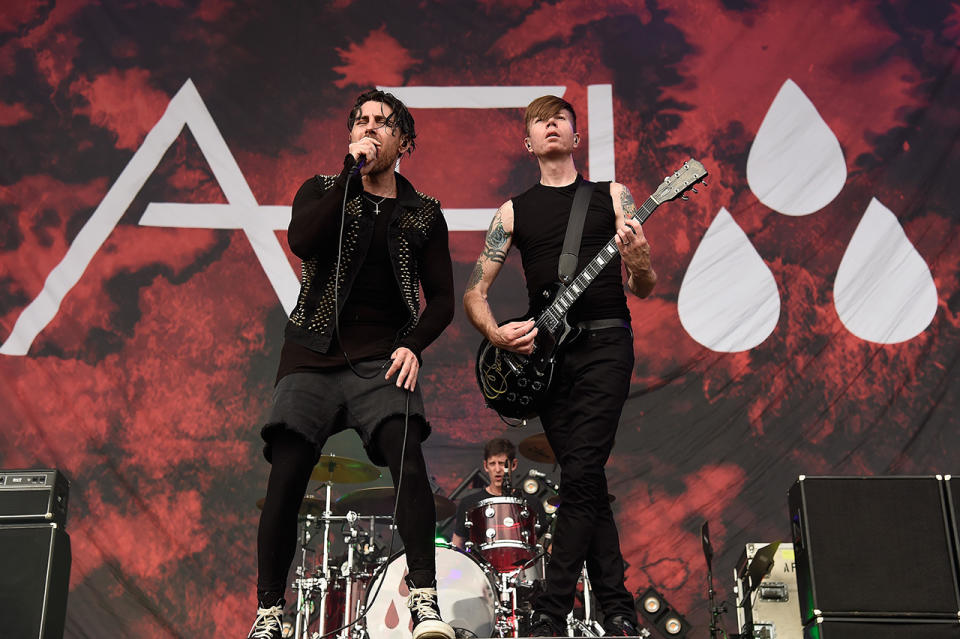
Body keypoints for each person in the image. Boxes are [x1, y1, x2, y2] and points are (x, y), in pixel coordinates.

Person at [247, 89, 455, 639]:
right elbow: (301, 240)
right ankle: (270, 612)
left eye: (382, 123)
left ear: (403, 142)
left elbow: (444, 298)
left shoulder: (423, 211)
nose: (369, 130)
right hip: (312, 353)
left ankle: (426, 604)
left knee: (408, 460)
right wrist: (347, 177)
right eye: (360, 122)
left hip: (382, 358)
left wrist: (413, 344)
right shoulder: (321, 190)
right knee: (288, 472)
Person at [462, 95, 657, 637]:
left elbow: (643, 285)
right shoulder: (512, 212)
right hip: (545, 363)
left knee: (582, 471)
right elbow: (475, 291)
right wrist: (495, 332)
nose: (551, 125)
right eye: (539, 121)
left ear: (575, 137)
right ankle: (618, 607)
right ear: (528, 143)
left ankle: (550, 612)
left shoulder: (612, 196)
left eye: (561, 119)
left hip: (605, 347)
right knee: (584, 477)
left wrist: (637, 255)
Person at [451, 438, 546, 550]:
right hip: (481, 566)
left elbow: (542, 547)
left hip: (523, 565)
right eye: (492, 464)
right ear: (486, 466)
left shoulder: (531, 503)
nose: (497, 469)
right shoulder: (469, 503)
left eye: (502, 463)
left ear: (514, 465)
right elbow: (457, 544)